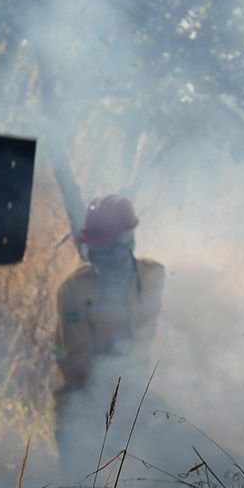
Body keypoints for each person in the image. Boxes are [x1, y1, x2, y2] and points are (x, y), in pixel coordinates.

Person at [53, 195, 164, 461]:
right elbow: (76, 363)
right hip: (82, 408)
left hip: (138, 403)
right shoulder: (73, 290)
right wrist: (118, 387)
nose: (101, 260)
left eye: (108, 251)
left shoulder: (153, 276)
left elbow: (157, 338)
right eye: (95, 252)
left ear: (130, 242)